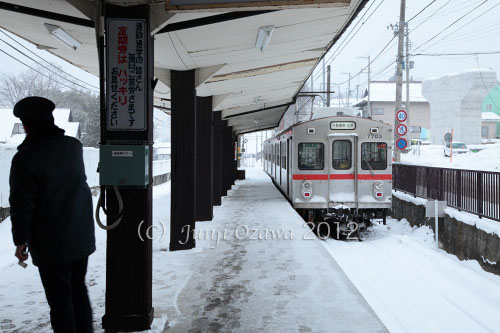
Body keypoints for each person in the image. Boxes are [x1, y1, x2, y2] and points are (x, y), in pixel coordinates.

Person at [9, 96, 96, 333]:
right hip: (80, 235)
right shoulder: (73, 146)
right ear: (52, 119)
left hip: (51, 242)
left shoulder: (25, 159)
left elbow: (22, 205)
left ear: (26, 126)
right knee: (78, 290)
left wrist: (20, 240)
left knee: (60, 300)